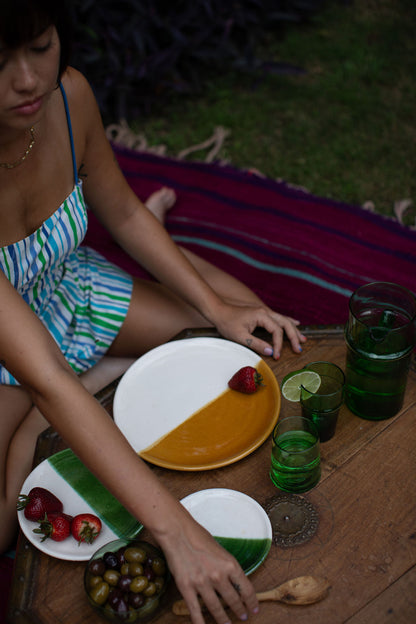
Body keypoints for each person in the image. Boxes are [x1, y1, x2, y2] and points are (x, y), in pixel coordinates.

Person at [0, 2, 306, 622]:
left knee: (249, 328)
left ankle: (93, 384)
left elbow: (125, 213)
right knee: (6, 526)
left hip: (69, 290)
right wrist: (179, 534)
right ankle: (71, 400)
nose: (28, 79)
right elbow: (44, 377)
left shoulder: (68, 97)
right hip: (12, 358)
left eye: (40, 45)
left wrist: (219, 310)